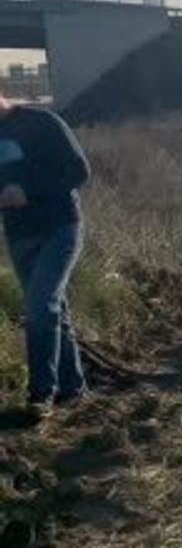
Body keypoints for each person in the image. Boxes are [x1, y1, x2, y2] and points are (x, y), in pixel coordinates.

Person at [0, 94, 91, 423]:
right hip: (19, 236)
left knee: (39, 307)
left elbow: (79, 171)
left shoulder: (41, 123)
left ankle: (41, 396)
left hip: (60, 228)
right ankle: (73, 390)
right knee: (53, 310)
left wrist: (29, 190)